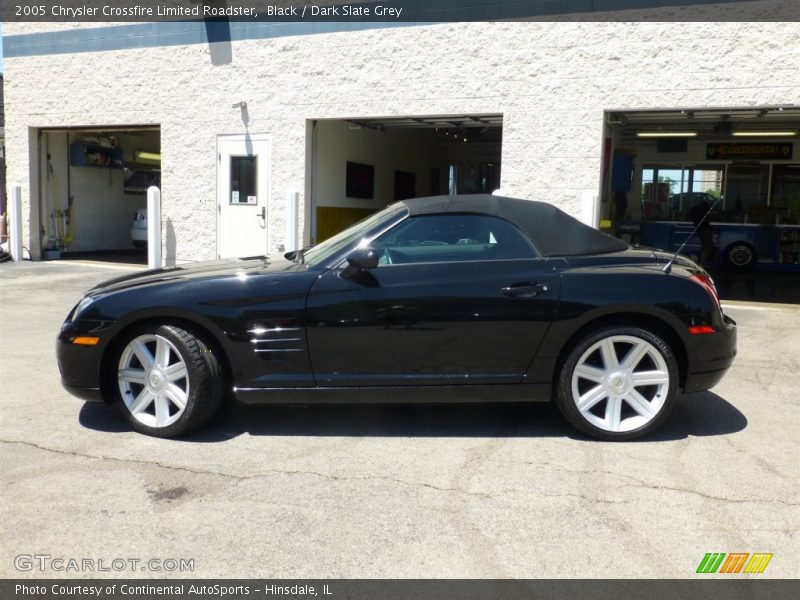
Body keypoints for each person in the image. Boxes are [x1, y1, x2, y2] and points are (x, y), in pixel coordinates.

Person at [688, 200, 715, 267]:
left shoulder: (694, 210)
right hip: (705, 230)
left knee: (705, 247)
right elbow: (707, 219)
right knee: (709, 247)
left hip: (700, 230)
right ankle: (702, 263)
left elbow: (690, 217)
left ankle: (702, 262)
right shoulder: (704, 210)